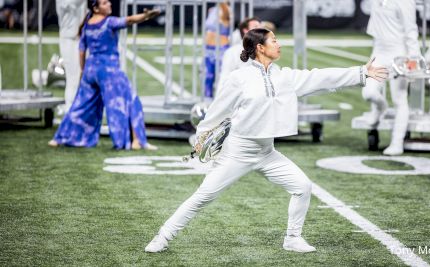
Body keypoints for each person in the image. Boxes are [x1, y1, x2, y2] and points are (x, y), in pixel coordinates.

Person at [144, 28, 388, 253]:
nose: (279, 44)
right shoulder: (239, 78)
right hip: (237, 153)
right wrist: (200, 141)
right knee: (202, 197)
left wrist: (361, 72)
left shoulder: (284, 77)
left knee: (302, 187)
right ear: (260, 47)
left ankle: (292, 238)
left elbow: (319, 77)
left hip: (267, 152)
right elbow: (216, 112)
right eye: (274, 40)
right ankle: (162, 237)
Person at [48, 0, 158, 150]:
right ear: (96, 8)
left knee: (80, 107)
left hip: (90, 70)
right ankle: (133, 141)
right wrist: (145, 16)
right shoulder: (109, 22)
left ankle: (60, 137)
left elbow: (81, 51)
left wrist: (83, 71)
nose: (110, 4)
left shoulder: (87, 25)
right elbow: (130, 20)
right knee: (128, 101)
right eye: (105, 3)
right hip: (109, 71)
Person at [362, 0, 421, 156]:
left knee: (399, 99)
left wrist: (413, 60)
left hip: (399, 53)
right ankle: (381, 107)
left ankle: (397, 142)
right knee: (368, 92)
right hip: (379, 51)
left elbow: (411, 29)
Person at [55, 0, 87, 113]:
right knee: (73, 76)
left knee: (82, 77)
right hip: (68, 39)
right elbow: (75, 3)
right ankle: (70, 108)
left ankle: (79, 108)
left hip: (80, 38)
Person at [217, 17, 261, 92]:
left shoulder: (265, 50)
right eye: (256, 27)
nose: (260, 30)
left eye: (261, 27)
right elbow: (224, 77)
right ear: (245, 30)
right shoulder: (232, 52)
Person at [204, 2, 231, 98]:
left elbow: (225, 15)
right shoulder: (212, 10)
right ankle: (207, 101)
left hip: (221, 49)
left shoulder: (227, 9)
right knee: (207, 76)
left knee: (221, 77)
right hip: (208, 48)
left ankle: (222, 100)